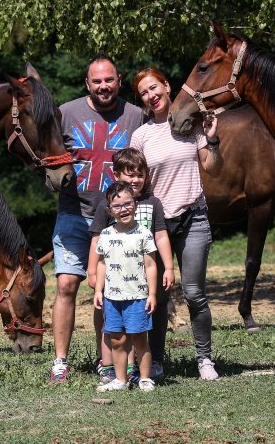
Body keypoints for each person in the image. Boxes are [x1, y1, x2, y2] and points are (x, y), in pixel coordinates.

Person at [48, 54, 144, 385]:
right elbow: (47, 152)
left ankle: (108, 363)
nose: (104, 86)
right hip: (74, 212)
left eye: (110, 80)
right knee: (66, 283)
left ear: (119, 80)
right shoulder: (66, 113)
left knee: (112, 289)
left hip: (117, 220)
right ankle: (60, 361)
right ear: (87, 84)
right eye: (97, 81)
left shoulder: (136, 116)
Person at [130, 67, 223, 380]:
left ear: (167, 86)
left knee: (195, 293)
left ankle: (204, 360)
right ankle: (155, 361)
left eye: (154, 88)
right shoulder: (141, 136)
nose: (151, 96)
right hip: (157, 225)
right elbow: (134, 180)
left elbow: (212, 167)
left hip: (193, 216)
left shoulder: (191, 126)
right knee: (158, 296)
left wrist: (213, 140)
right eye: (144, 92)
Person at [87, 148, 175, 385]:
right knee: (115, 333)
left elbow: (161, 236)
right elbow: (98, 243)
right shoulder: (108, 204)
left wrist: (168, 267)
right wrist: (92, 271)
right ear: (117, 176)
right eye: (129, 175)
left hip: (141, 285)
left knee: (138, 333)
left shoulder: (152, 203)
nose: (135, 180)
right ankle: (116, 373)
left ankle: (144, 373)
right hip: (115, 286)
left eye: (140, 175)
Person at [92, 181, 159, 392]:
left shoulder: (144, 234)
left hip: (138, 296)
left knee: (140, 340)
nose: (124, 209)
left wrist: (153, 294)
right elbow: (101, 263)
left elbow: (150, 265)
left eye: (128, 203)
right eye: (117, 206)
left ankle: (145, 378)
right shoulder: (106, 235)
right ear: (109, 210)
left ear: (135, 204)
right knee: (117, 340)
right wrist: (98, 290)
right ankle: (120, 380)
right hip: (112, 299)